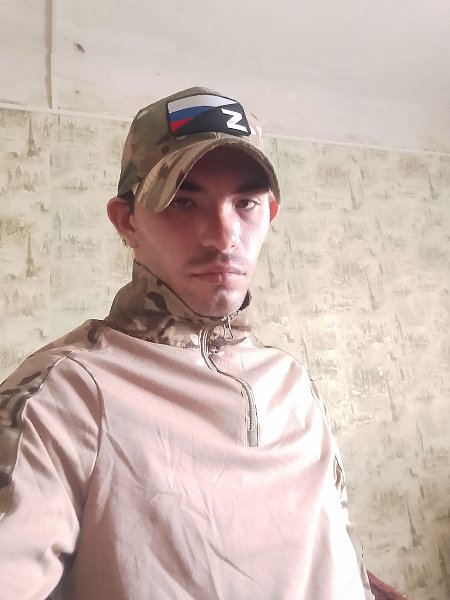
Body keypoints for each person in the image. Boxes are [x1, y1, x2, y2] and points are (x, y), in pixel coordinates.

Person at [0, 87, 374, 599]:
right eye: (182, 201)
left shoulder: (292, 382)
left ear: (270, 214)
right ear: (127, 220)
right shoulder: (62, 393)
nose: (224, 236)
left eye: (245, 203)